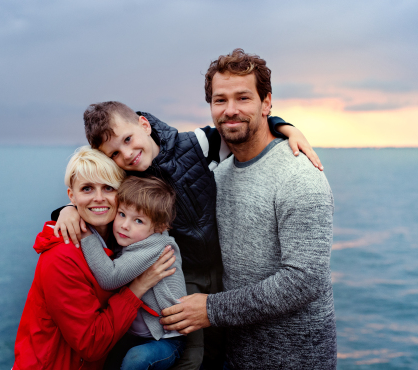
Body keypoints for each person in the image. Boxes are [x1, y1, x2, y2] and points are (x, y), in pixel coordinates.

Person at [52, 101, 323, 369]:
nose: (126, 153)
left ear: (144, 125)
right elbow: (99, 198)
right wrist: (68, 209)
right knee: (194, 352)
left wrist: (285, 127)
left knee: (224, 344)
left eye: (128, 139)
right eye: (114, 153)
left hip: (223, 266)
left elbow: (239, 129)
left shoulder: (196, 144)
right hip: (180, 274)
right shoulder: (125, 175)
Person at [160, 49, 337, 369]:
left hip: (295, 360)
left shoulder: (299, 177)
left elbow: (303, 281)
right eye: (219, 100)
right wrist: (72, 209)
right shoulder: (220, 174)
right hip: (235, 356)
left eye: (243, 98)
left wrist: (211, 309)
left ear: (266, 102)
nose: (230, 110)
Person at [13, 146, 177, 370]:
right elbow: (91, 344)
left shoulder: (119, 239)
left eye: (108, 188)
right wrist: (138, 287)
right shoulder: (60, 258)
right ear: (72, 195)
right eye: (87, 189)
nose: (98, 199)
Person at [80, 176, 187, 370]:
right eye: (121, 214)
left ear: (159, 228)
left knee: (136, 359)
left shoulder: (155, 246)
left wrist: (86, 233)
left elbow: (109, 278)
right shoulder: (136, 238)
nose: (125, 225)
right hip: (135, 335)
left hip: (165, 340)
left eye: (138, 220)